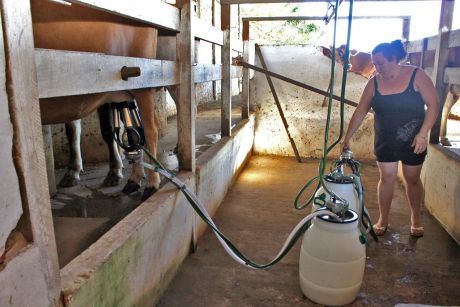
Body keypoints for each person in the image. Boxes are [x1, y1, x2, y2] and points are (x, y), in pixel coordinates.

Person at [340, 40, 439, 237]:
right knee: (387, 178)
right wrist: (346, 138)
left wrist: (423, 134)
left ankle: (416, 219)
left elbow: (434, 105)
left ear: (394, 59)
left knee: (412, 179)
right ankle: (383, 219)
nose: (377, 67)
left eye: (381, 63)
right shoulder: (374, 82)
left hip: (413, 139)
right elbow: (361, 110)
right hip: (386, 139)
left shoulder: (415, 75)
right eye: (375, 63)